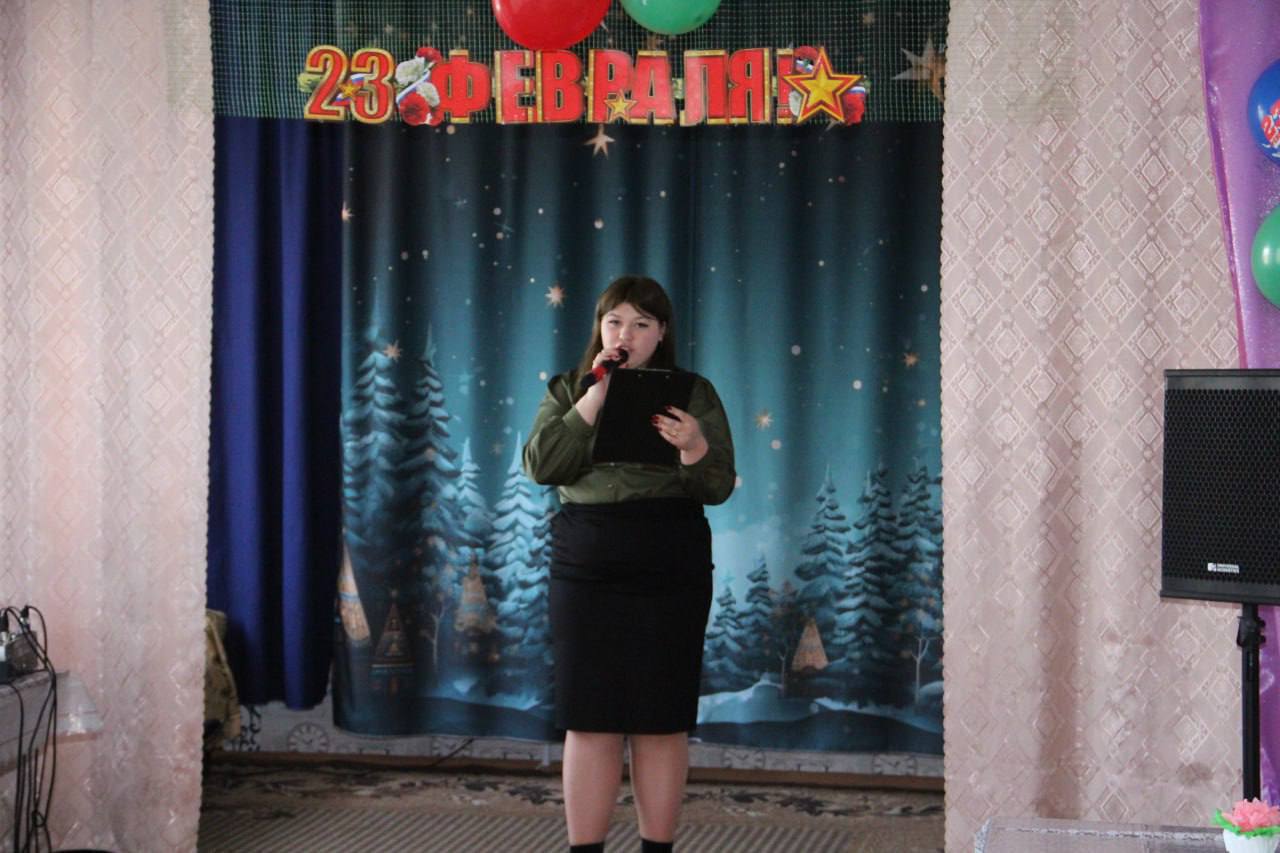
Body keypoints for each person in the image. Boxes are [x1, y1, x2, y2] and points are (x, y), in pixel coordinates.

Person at [523, 275, 735, 853]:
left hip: (670, 560)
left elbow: (717, 486)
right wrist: (596, 393)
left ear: (661, 333)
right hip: (586, 562)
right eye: (615, 321)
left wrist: (693, 446)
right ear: (599, 328)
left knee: (660, 718)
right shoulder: (568, 388)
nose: (626, 334)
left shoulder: (692, 391)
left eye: (642, 324)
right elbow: (542, 466)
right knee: (589, 715)